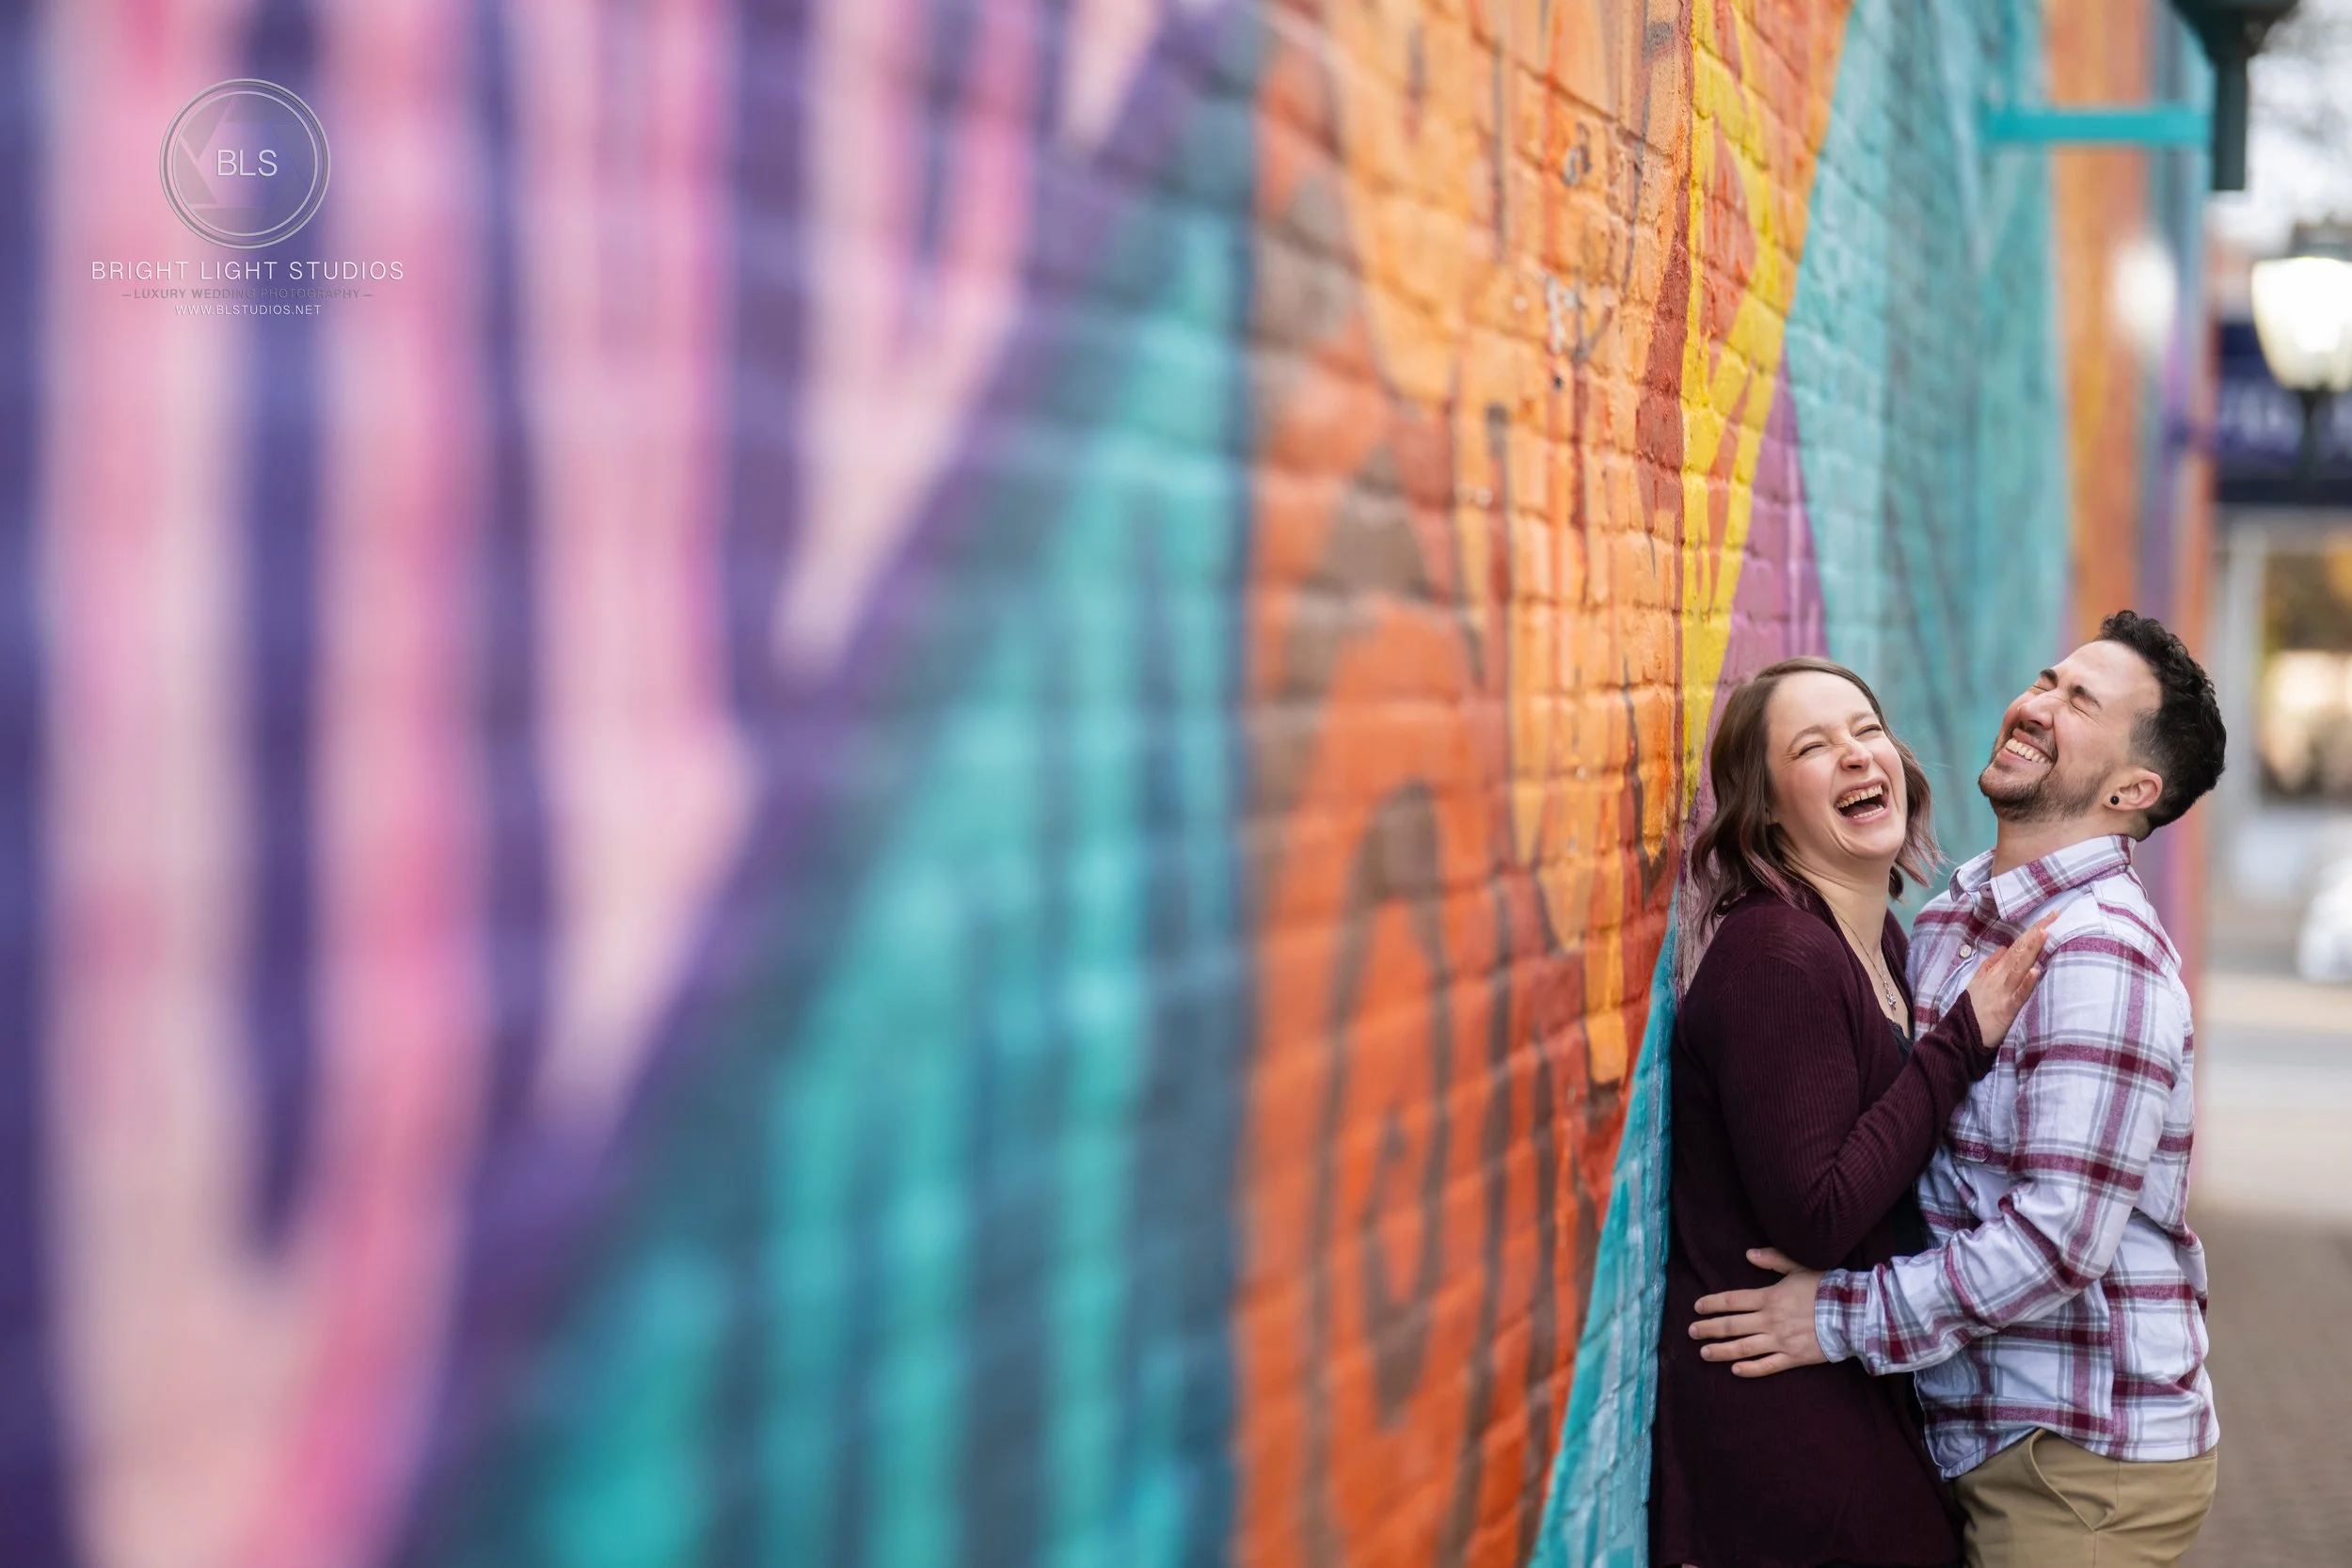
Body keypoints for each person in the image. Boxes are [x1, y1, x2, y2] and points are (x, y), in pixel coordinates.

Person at [1689, 611, 2229, 1568]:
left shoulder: (2098, 952)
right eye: (2046, 679)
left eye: (2079, 702)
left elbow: (2053, 1239)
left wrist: (1834, 1316)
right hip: (1967, 1425)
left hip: (2074, 1454)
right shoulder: (1944, 920)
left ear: (2132, 787)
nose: (2035, 704)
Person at [1652, 657, 2052, 1568]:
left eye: (1865, 729)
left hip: (1842, 1380)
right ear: (1767, 807)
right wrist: (1963, 1040)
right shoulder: (1778, 957)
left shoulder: (1878, 940)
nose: (1853, 754)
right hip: (1779, 1418)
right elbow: (1817, 1212)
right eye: (1811, 745)